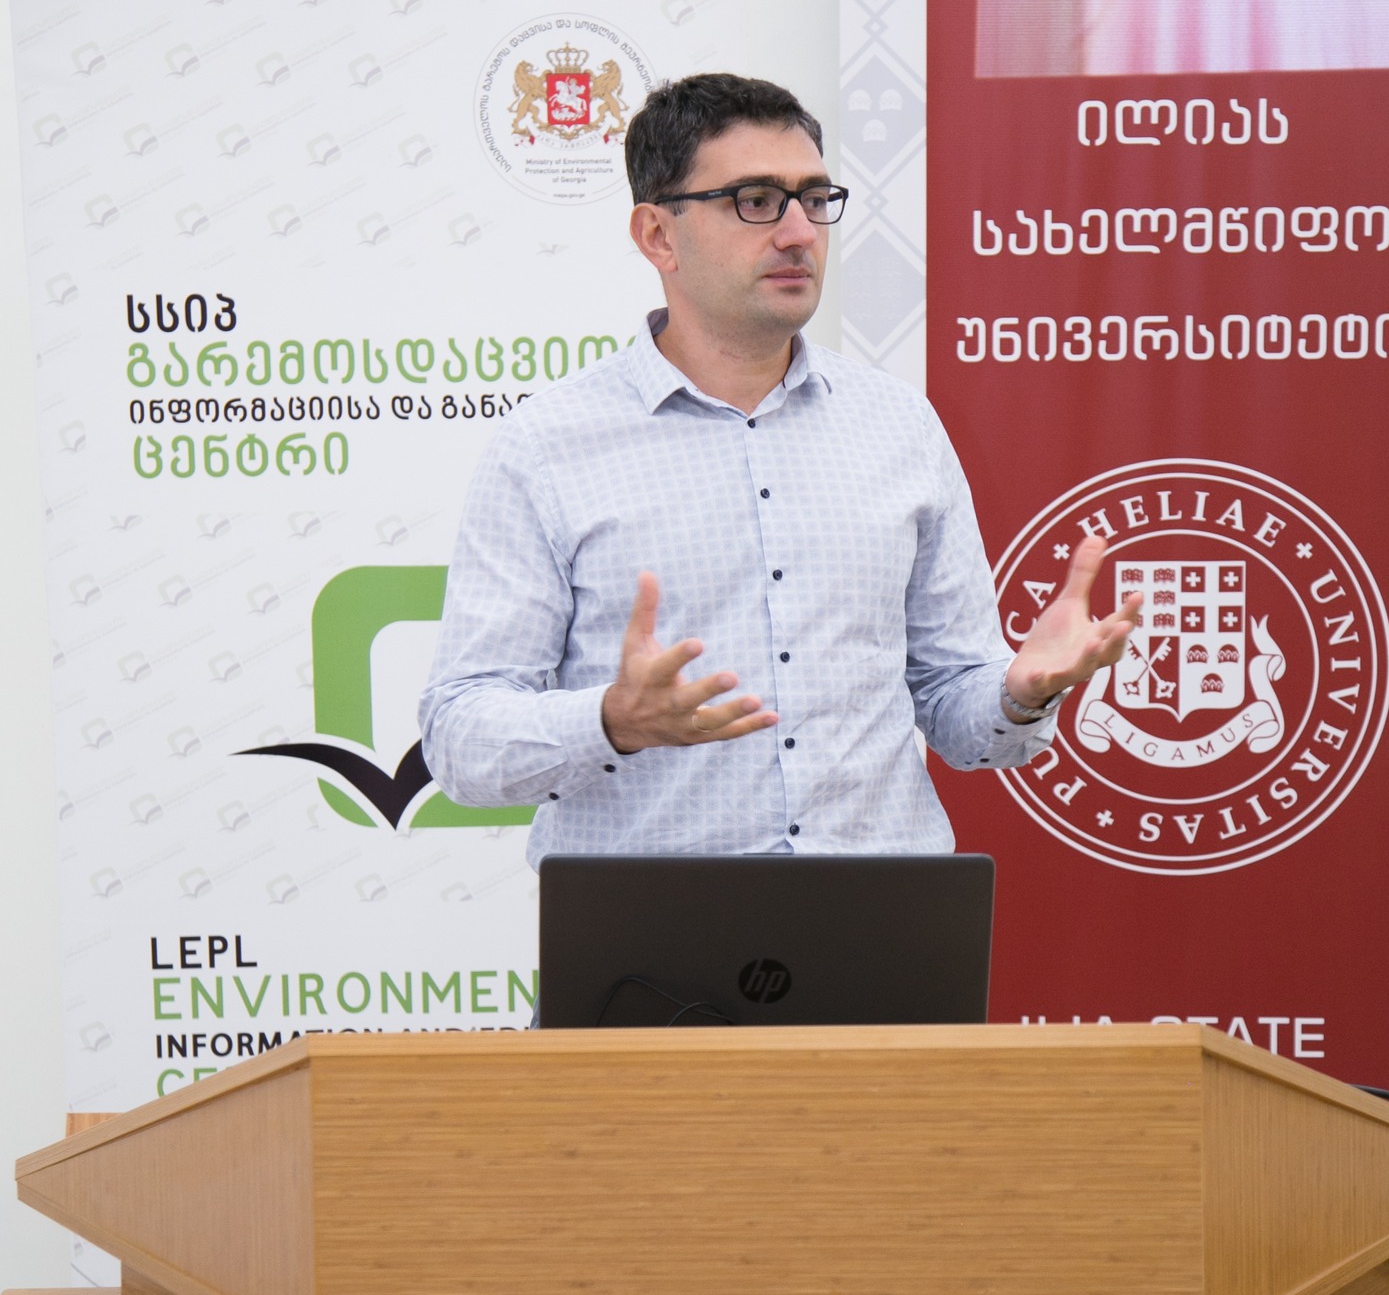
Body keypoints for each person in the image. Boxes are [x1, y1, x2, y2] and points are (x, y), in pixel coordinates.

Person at [419, 72, 1139, 863]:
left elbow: (960, 715)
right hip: (650, 927)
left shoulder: (899, 426)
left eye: (814, 198)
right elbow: (459, 738)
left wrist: (1020, 691)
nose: (799, 232)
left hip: (877, 920)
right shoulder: (547, 446)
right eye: (755, 200)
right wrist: (610, 720)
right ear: (658, 236)